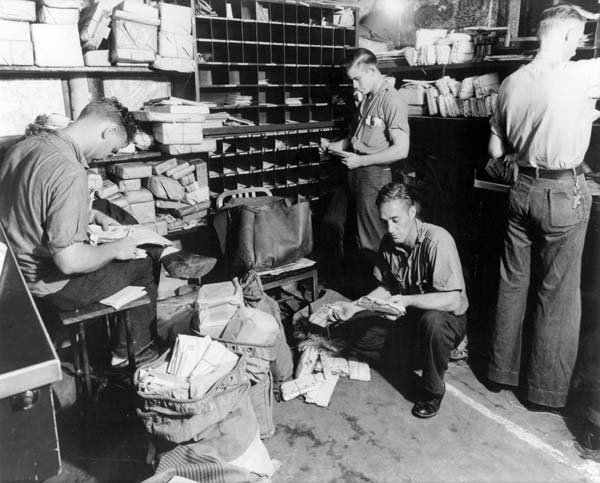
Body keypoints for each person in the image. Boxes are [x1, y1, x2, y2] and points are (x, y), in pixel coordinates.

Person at [0, 98, 213, 367]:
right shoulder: (69, 171)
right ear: (108, 131)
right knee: (141, 262)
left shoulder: (25, 147)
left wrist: (90, 214)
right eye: (112, 148)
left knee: (106, 207)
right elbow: (69, 261)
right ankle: (132, 350)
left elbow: (31, 201)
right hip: (50, 284)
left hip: (15, 269)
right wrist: (115, 249)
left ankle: (164, 251)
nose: (105, 156)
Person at [486, 4, 597, 410]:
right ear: (567, 36)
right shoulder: (581, 74)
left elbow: (495, 150)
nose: (581, 46)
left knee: (513, 283)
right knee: (558, 292)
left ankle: (500, 372)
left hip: (520, 190)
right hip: (562, 193)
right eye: (580, 38)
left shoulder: (510, 83)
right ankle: (544, 392)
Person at [334, 182, 468, 418]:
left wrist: (406, 301)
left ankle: (432, 390)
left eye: (396, 220)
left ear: (412, 212)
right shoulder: (388, 242)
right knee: (353, 332)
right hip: (410, 321)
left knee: (434, 322)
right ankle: (419, 355)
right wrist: (353, 307)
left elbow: (452, 300)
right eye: (384, 221)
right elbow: (387, 285)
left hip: (445, 319)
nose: (390, 228)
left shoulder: (437, 240)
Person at [321, 48, 409, 294]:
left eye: (357, 79)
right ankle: (353, 290)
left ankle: (386, 294)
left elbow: (402, 150)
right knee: (337, 226)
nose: (354, 86)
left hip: (374, 174)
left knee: (372, 240)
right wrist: (332, 146)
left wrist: (361, 162)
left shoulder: (391, 100)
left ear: (372, 70)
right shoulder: (367, 98)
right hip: (353, 172)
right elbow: (354, 139)